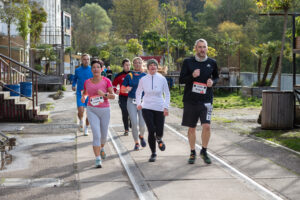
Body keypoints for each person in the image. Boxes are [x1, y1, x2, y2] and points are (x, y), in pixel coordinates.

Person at [179, 39, 219, 165]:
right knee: (192, 128)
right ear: (195, 48)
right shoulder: (188, 62)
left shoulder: (212, 62)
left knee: (206, 126)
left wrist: (213, 82)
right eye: (200, 47)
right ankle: (192, 152)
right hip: (190, 100)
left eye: (204, 47)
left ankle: (204, 151)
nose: (202, 49)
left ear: (207, 48)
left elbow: (216, 76)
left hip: (206, 100)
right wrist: (192, 76)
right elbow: (181, 80)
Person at [81, 59, 115, 168]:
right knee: (96, 134)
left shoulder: (106, 81)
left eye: (98, 67)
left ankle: (102, 147)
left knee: (103, 136)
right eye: (94, 67)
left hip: (105, 110)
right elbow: (86, 93)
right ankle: (97, 158)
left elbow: (113, 96)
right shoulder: (87, 82)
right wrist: (83, 97)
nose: (96, 69)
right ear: (91, 70)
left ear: (102, 69)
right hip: (92, 110)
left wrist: (104, 94)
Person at [136, 59, 170, 162]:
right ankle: (153, 153)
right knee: (151, 130)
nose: (152, 67)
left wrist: (166, 107)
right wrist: (138, 104)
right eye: (150, 65)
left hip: (159, 107)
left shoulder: (162, 79)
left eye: (154, 65)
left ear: (156, 67)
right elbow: (138, 92)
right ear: (148, 68)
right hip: (146, 107)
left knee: (159, 130)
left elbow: (167, 94)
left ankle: (159, 138)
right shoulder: (143, 79)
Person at [121, 57, 147, 151]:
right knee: (134, 123)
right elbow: (122, 89)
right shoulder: (129, 75)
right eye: (135, 63)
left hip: (142, 102)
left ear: (141, 64)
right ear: (133, 64)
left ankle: (141, 136)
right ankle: (136, 143)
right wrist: (126, 89)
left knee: (142, 124)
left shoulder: (145, 75)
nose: (137, 64)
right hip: (131, 101)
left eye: (139, 63)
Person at [72, 54, 93, 136]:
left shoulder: (92, 69)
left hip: (90, 94)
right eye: (84, 59)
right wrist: (73, 85)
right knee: (81, 111)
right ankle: (81, 121)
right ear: (81, 60)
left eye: (88, 59)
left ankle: (86, 128)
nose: (86, 61)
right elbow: (74, 79)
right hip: (80, 93)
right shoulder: (78, 70)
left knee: (89, 113)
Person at [112, 59, 131, 136]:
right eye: (126, 65)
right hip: (122, 97)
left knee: (131, 113)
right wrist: (115, 90)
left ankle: (130, 120)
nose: (128, 66)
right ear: (123, 66)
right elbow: (113, 85)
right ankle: (126, 129)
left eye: (129, 65)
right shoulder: (119, 75)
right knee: (125, 112)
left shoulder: (133, 74)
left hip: (132, 97)